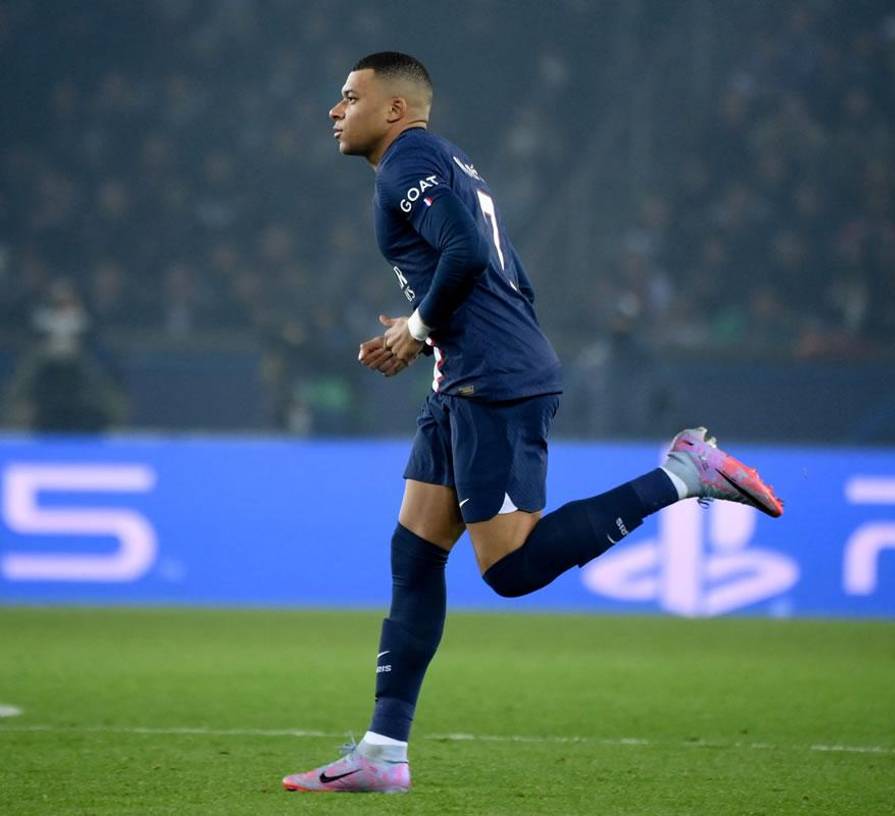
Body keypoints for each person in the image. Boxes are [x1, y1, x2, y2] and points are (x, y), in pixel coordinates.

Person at [282, 52, 784, 795]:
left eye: (350, 97)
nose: (335, 109)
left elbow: (466, 252)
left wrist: (420, 327)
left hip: (494, 382)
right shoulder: (441, 159)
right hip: (467, 376)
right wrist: (434, 330)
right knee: (415, 554)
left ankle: (682, 472)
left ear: (395, 108)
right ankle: (383, 754)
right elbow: (497, 269)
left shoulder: (409, 158)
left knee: (510, 568)